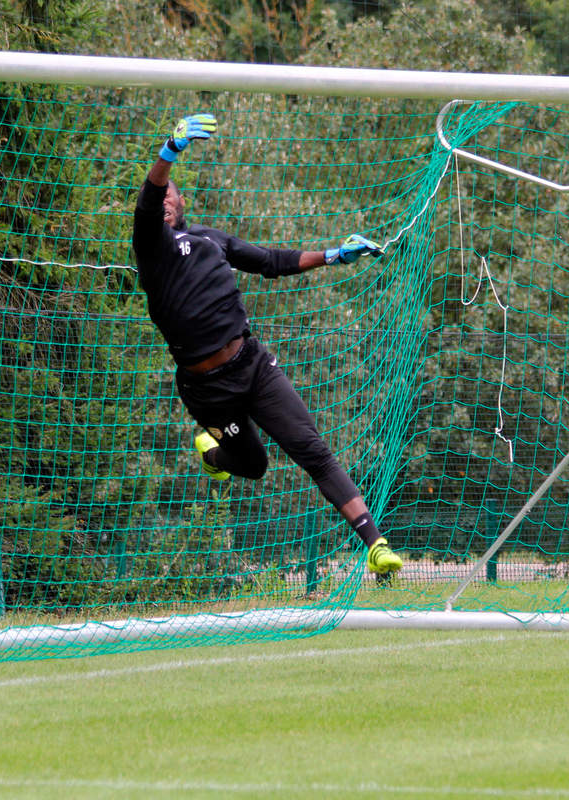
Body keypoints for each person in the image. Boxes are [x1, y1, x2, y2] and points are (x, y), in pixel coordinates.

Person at [131, 113, 402, 575]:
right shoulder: (151, 247)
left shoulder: (211, 239)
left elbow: (272, 261)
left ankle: (375, 545)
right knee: (253, 466)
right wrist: (168, 152)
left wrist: (334, 256)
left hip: (253, 365)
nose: (165, 199)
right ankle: (212, 453)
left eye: (172, 193)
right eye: (161, 194)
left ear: (183, 200)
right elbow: (148, 199)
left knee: (313, 451)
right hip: (207, 390)